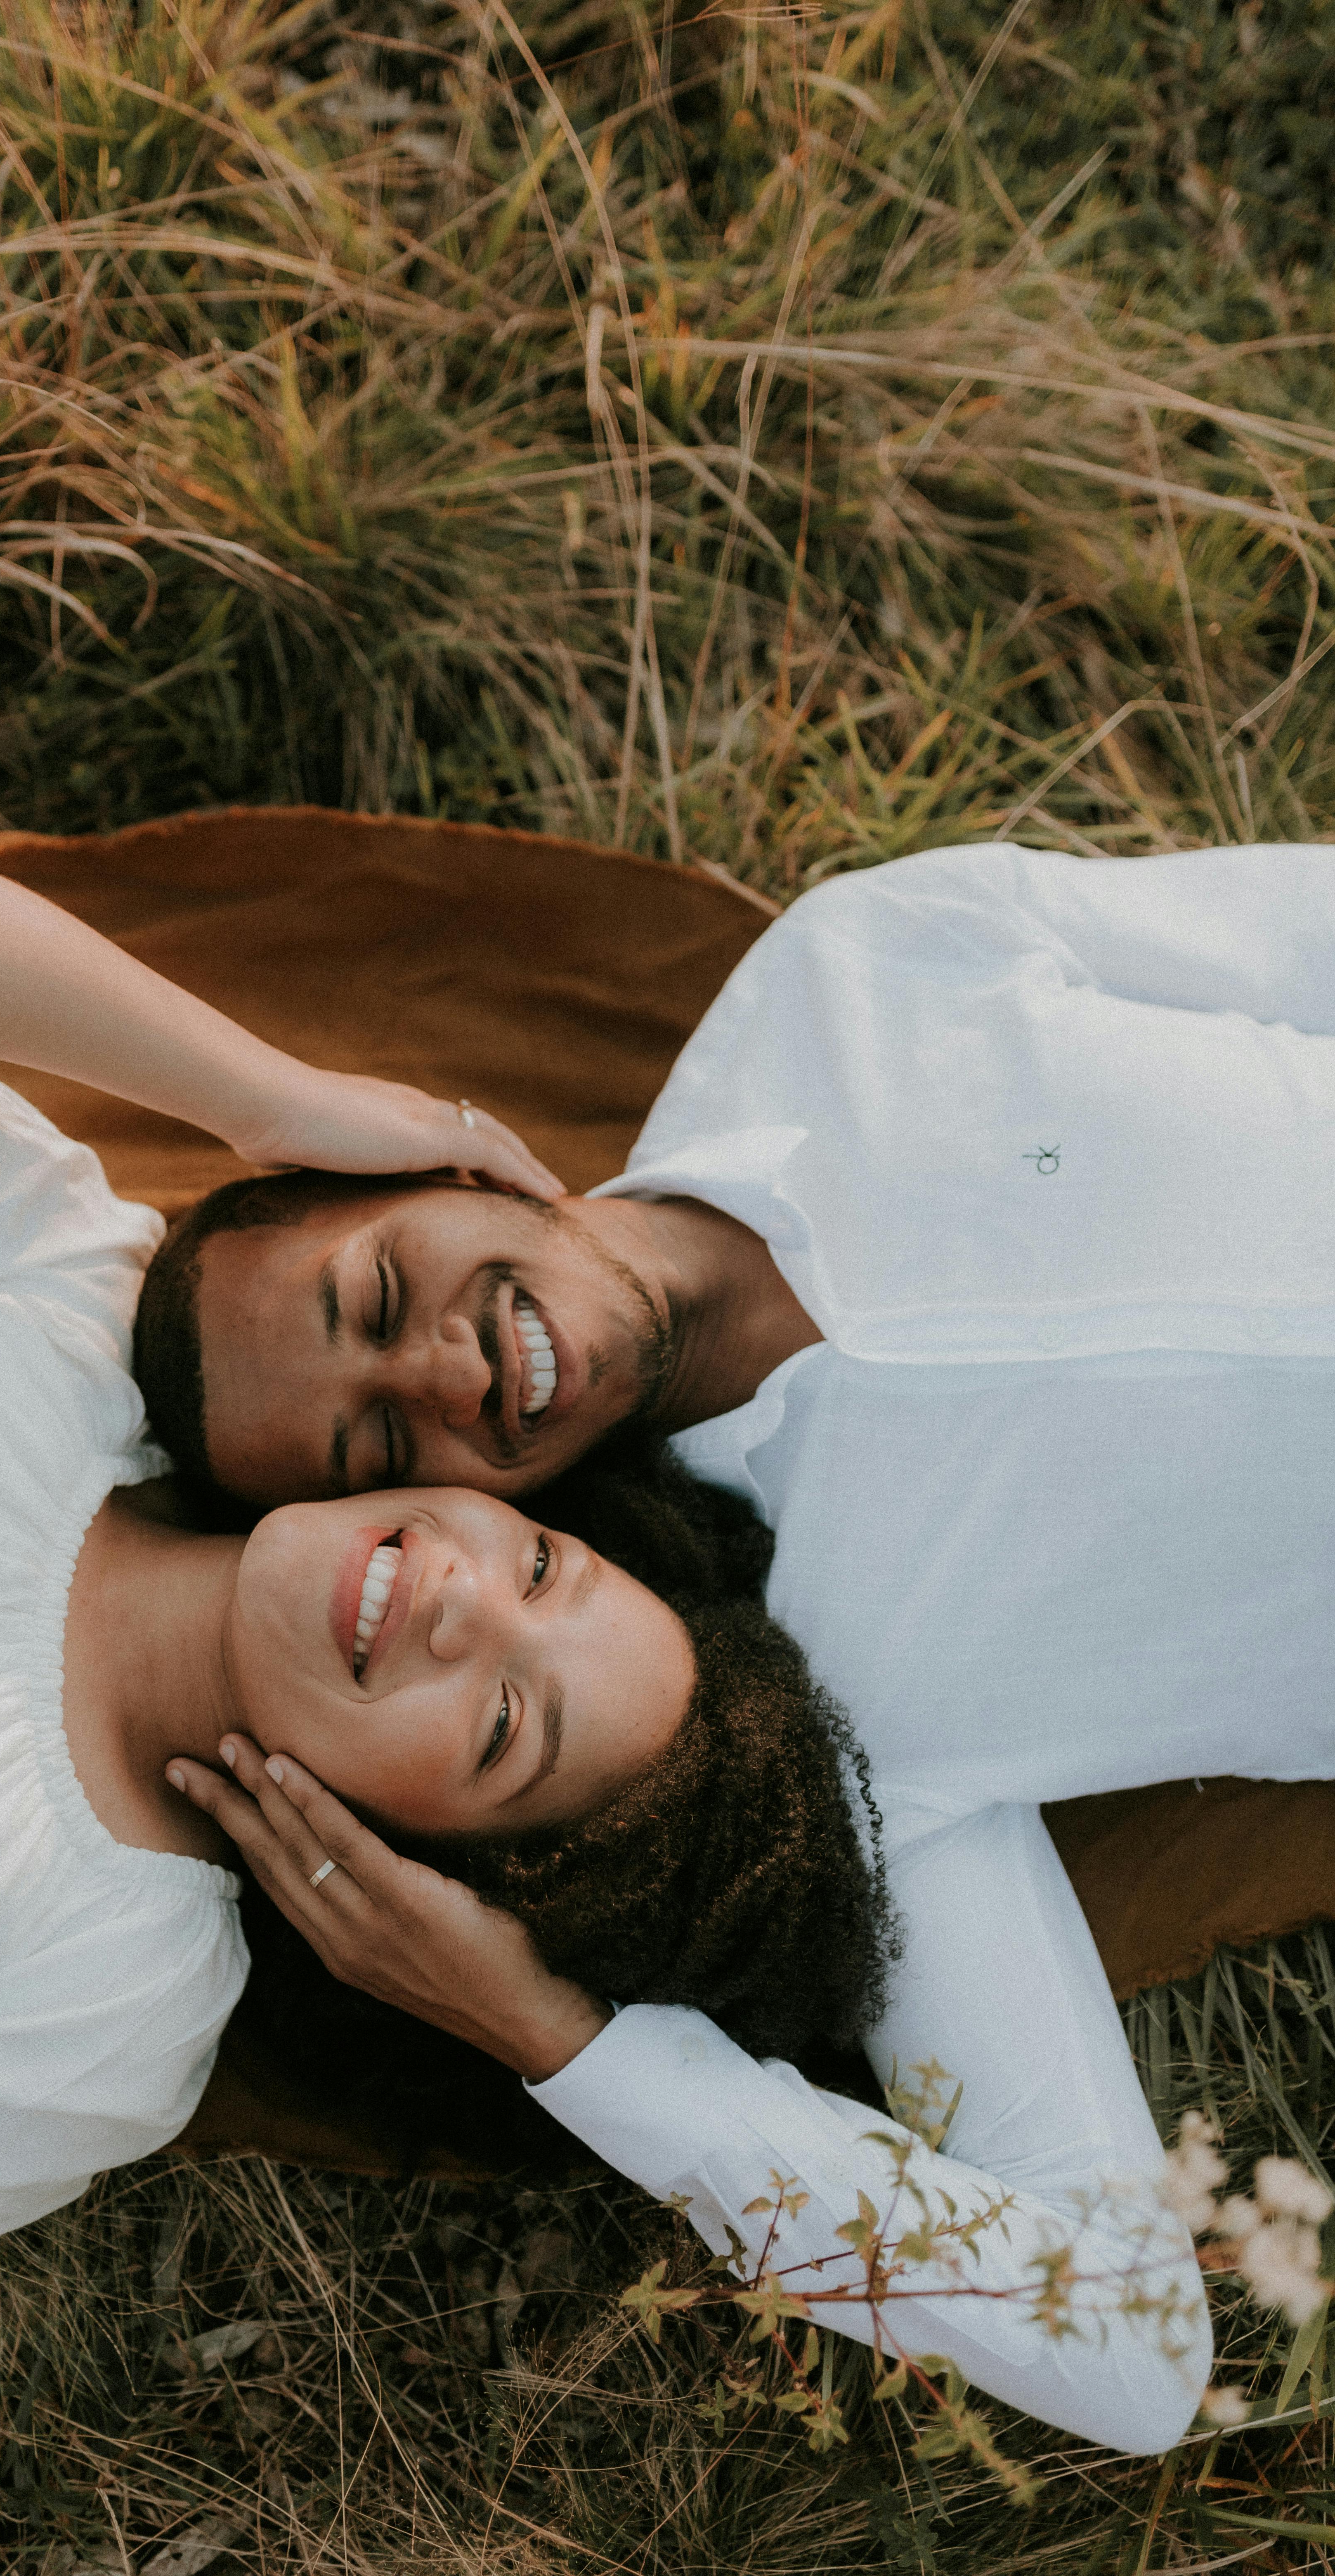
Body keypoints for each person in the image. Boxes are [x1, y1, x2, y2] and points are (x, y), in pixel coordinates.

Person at [151, 839, 1335, 2455]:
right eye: (373, 1451)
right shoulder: (826, 1715)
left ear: (432, 1163)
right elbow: (1124, 2346)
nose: (439, 1368)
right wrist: (560, 2045)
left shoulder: (856, 972)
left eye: (374, 1290)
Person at [0, 800, 888, 2297]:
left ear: (428, 1866)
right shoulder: (64, 1319)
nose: (460, 1604)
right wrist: (269, 1102)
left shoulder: (104, 2018)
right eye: (544, 1571)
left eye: (498, 1726)